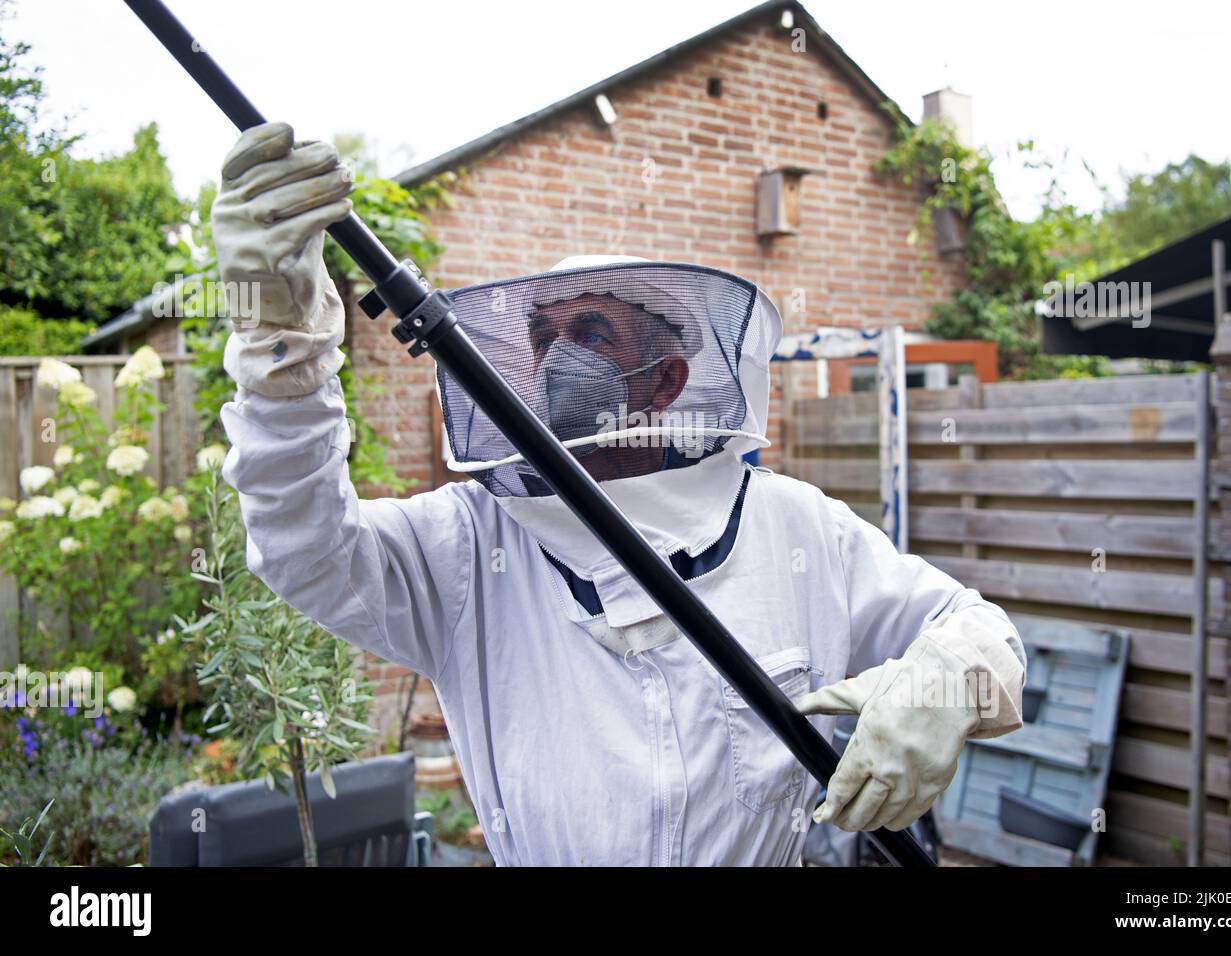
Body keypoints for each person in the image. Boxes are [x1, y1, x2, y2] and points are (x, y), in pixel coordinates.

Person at [214, 122, 1027, 866]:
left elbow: (980, 631)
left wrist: (942, 686)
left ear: (668, 379)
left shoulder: (795, 530)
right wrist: (280, 347)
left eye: (592, 334)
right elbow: (305, 546)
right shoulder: (469, 543)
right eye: (544, 337)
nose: (556, 358)